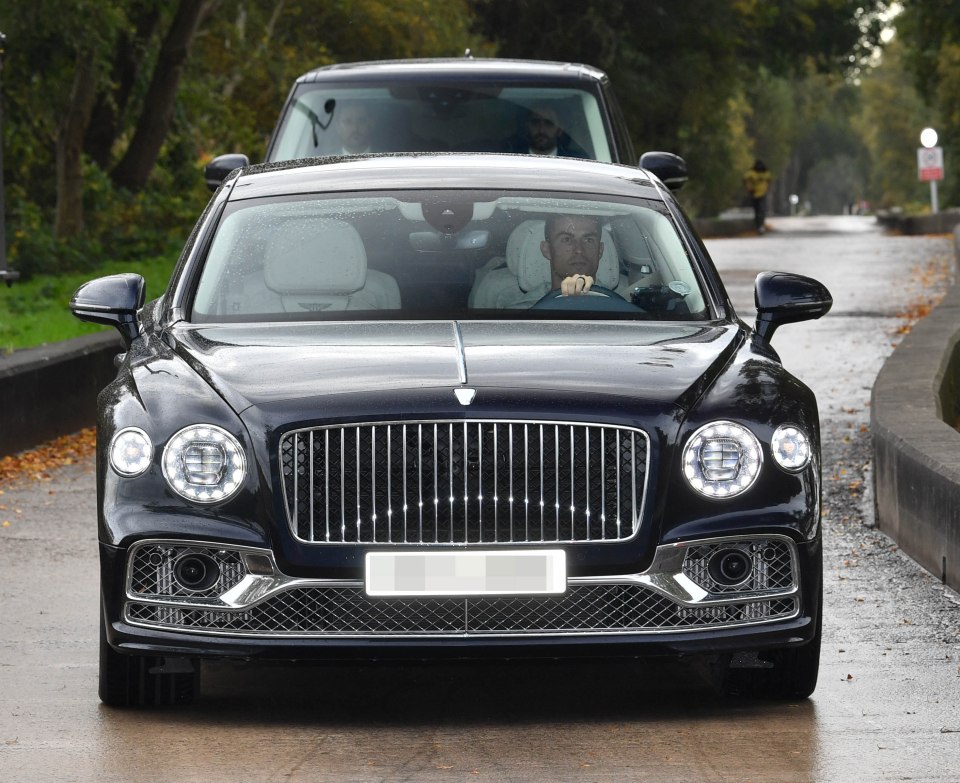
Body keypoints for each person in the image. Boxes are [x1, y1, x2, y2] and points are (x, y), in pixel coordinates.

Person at [540, 214, 603, 294]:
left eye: (589, 240)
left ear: (600, 250)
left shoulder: (619, 304)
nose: (579, 250)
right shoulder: (530, 306)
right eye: (567, 239)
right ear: (547, 250)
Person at [503, 105, 587, 158]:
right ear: (527, 127)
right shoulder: (511, 159)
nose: (541, 130)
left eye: (549, 123)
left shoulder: (577, 162)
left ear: (560, 129)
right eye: (535, 123)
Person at [743, 159, 772, 234]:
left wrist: (767, 189)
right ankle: (758, 226)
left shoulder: (766, 173)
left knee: (762, 210)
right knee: (757, 211)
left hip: (763, 194)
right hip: (754, 194)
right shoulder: (751, 173)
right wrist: (749, 188)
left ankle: (760, 226)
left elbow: (768, 181)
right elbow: (746, 180)